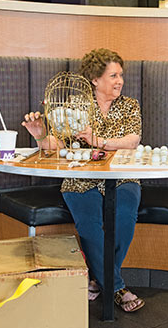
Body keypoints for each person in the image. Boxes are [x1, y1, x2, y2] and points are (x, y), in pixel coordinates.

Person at [22, 48, 144, 313]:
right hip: (80, 177)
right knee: (89, 226)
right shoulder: (74, 107)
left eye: (120, 75)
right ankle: (116, 286)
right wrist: (40, 135)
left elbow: (132, 141)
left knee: (124, 220)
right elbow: (55, 144)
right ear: (95, 79)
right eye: (113, 75)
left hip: (122, 177)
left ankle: (99, 280)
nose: (119, 81)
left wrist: (96, 140)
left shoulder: (129, 105)